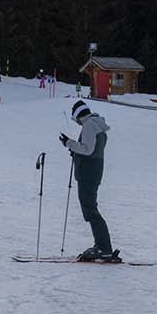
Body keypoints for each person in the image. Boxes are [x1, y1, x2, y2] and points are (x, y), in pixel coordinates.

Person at [60, 100, 118, 262]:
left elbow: (87, 149)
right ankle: (101, 245)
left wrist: (69, 144)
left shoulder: (89, 125)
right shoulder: (96, 124)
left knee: (90, 209)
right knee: (90, 209)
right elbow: (90, 150)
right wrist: (74, 149)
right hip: (92, 170)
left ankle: (104, 247)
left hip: (88, 173)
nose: (77, 122)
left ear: (78, 115)